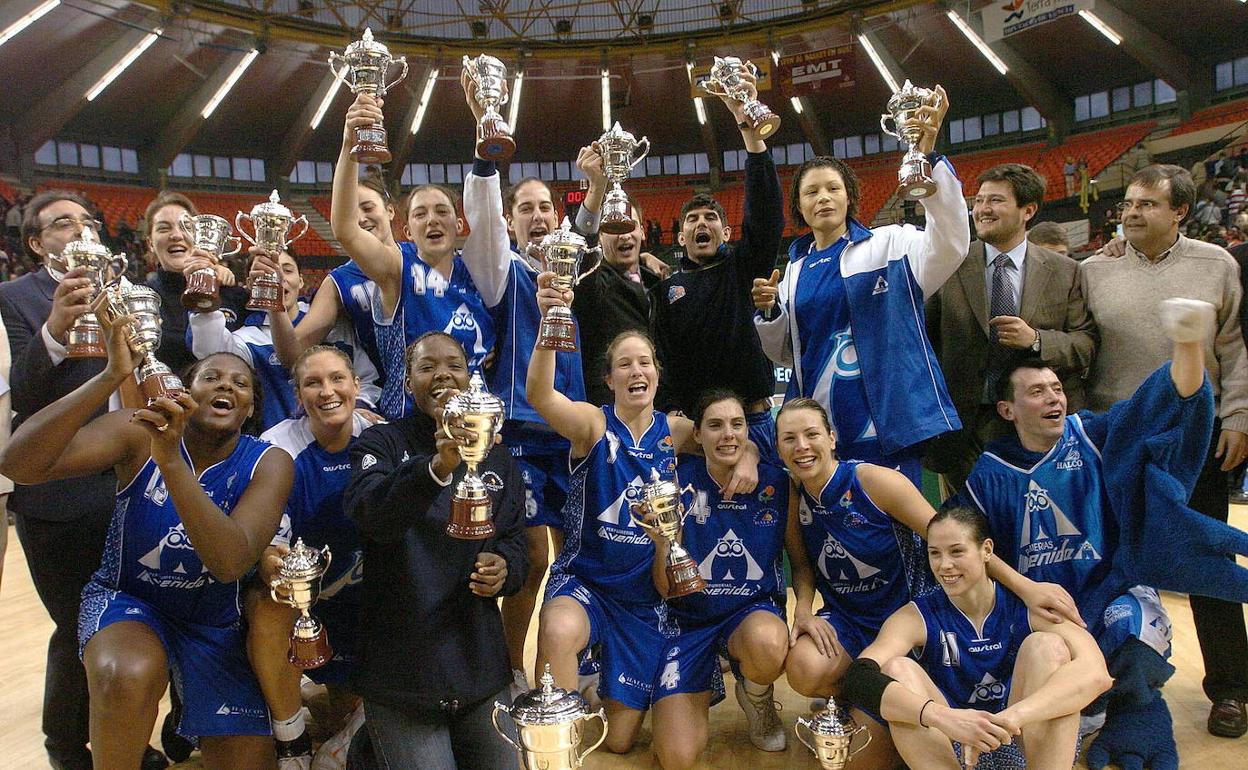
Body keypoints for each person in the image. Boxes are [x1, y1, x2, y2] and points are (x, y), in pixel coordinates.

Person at [0, 306, 293, 770]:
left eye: (239, 384)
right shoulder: (138, 431)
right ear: (184, 391)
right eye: (210, 377)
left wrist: (172, 463)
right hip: (130, 600)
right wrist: (110, 377)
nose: (225, 386)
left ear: (250, 408)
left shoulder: (269, 462)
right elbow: (18, 463)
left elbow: (230, 563)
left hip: (215, 620)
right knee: (126, 674)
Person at [953, 298, 1229, 768]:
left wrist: (1188, 342)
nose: (1053, 399)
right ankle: (1081, 708)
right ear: (1007, 409)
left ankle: (1125, 707)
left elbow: (1164, 400)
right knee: (1024, 657)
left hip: (1110, 589)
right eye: (1037, 392)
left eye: (1057, 388)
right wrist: (1023, 588)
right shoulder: (988, 471)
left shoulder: (1095, 436)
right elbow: (969, 549)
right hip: (1036, 606)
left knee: (1136, 628)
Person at [775, 397, 1079, 768]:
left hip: (910, 620)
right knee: (804, 667)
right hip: (850, 621)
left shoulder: (876, 482)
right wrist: (803, 611)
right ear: (777, 447)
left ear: (833, 438)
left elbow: (955, 544)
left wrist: (1025, 587)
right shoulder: (793, 496)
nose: (802, 446)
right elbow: (802, 566)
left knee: (872, 755)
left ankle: (906, 710)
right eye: (789, 438)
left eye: (811, 434)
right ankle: (860, 703)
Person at [528, 281, 758, 755]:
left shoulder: (676, 432)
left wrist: (751, 454)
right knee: (556, 628)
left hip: (645, 599)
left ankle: (616, 686)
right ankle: (557, 747)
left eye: (644, 362)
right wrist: (550, 324)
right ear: (609, 379)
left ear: (656, 373)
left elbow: (727, 435)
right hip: (587, 582)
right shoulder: (592, 424)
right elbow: (539, 394)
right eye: (624, 364)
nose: (636, 370)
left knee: (619, 743)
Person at [0, 190, 166, 770]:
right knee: (75, 629)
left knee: (123, 624)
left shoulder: (120, 292)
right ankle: (67, 747)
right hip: (58, 496)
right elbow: (22, 398)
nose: (78, 230)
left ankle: (124, 743)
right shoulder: (13, 300)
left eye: (86, 221)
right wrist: (53, 329)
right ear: (35, 242)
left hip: (126, 487)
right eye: (61, 223)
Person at [1081, 164, 1248, 738]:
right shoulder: (1092, 270)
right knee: (1107, 565)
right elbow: (1083, 348)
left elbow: (1234, 348)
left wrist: (1238, 415)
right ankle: (1107, 688)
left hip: (1194, 440)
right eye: (1127, 203)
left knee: (1205, 562)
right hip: (1118, 444)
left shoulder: (1216, 264)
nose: (1130, 213)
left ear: (1181, 211)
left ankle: (1229, 690)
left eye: (1147, 204)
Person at [457, 69, 608, 695]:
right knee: (526, 557)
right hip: (518, 426)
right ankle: (510, 676)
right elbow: (483, 222)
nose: (540, 216)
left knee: (580, 551)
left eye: (548, 206)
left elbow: (590, 236)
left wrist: (597, 190)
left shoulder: (571, 270)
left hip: (572, 430)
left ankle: (579, 663)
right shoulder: (502, 270)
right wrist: (484, 142)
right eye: (527, 208)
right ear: (512, 222)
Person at [752, 86, 969, 485]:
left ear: (849, 198)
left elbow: (952, 244)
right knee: (833, 540)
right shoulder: (794, 271)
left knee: (894, 534)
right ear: (799, 207)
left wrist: (930, 162)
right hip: (821, 429)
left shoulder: (891, 243)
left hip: (887, 423)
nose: (823, 198)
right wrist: (769, 312)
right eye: (811, 192)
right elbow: (786, 353)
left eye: (833, 188)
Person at [343, 331, 528, 770]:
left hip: (479, 667)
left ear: (470, 377)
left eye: (454, 365)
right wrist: (437, 466)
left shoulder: (499, 458)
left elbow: (515, 542)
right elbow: (372, 516)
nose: (442, 374)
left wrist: (506, 567)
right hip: (402, 676)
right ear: (408, 383)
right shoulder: (380, 443)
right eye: (427, 367)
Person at [839, 507, 1111, 770]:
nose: (945, 565)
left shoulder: (1029, 608)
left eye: (957, 551)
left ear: (987, 550)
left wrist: (1009, 719)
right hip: (955, 746)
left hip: (1024, 738)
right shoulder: (916, 617)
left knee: (1048, 647)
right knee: (897, 669)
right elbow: (859, 676)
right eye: (935, 554)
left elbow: (1096, 674)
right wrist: (946, 718)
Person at [925, 163, 1097, 493]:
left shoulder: (1065, 272)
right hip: (963, 434)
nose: (982, 209)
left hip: (1038, 429)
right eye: (978, 200)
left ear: (1027, 210)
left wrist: (1036, 340)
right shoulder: (949, 265)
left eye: (996, 201)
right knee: (975, 533)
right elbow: (923, 342)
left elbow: (1085, 344)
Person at [648, 390, 791, 767]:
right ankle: (694, 679)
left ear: (749, 432)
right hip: (688, 622)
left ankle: (757, 697)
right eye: (715, 425)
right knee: (677, 757)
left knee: (769, 641)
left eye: (737, 424)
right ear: (697, 434)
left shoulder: (777, 483)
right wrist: (663, 543)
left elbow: (802, 563)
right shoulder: (676, 482)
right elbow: (665, 587)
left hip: (749, 613)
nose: (728, 434)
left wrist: (805, 609)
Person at [330, 93, 495, 418]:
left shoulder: (477, 274)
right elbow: (345, 229)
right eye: (420, 214)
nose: (432, 219)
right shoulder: (398, 267)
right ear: (407, 230)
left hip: (476, 423)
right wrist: (350, 146)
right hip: (411, 426)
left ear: (459, 224)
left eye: (441, 211)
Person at [248, 345, 373, 770]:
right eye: (313, 383)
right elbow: (266, 542)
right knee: (268, 604)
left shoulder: (382, 436)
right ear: (298, 396)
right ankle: (291, 739)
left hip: (369, 603)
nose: (327, 391)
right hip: (307, 602)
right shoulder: (277, 446)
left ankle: (347, 721)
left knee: (344, 711)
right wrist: (270, 559)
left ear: (357, 386)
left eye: (337, 378)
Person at [652, 64, 784, 467]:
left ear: (727, 233)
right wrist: (670, 407)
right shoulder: (667, 288)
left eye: (711, 218)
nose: (701, 224)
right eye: (692, 220)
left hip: (754, 417)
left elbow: (765, 218)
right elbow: (664, 356)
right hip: (695, 428)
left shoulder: (743, 269)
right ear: (680, 238)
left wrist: (755, 146)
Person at [190, 246, 380, 432]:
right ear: (250, 285)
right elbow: (209, 352)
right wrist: (204, 290)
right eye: (267, 272)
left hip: (340, 443)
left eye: (287, 270)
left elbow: (366, 379)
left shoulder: (332, 325)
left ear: (301, 280)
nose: (278, 278)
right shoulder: (248, 338)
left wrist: (360, 405)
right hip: (277, 448)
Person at [269, 170, 392, 418]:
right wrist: (273, 299)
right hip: (381, 402)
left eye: (368, 207)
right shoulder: (338, 282)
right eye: (351, 212)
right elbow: (293, 354)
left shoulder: (418, 260)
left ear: (389, 211)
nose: (361, 218)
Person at [141, 192, 249, 375]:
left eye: (186, 227)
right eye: (163, 228)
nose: (176, 235)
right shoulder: (141, 300)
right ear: (150, 243)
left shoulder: (232, 294)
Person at [572, 202, 663, 407]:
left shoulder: (657, 283)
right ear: (600, 237)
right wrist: (595, 191)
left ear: (642, 232)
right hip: (609, 410)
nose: (624, 235)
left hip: (657, 409)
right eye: (612, 228)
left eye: (630, 226)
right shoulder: (593, 284)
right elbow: (583, 257)